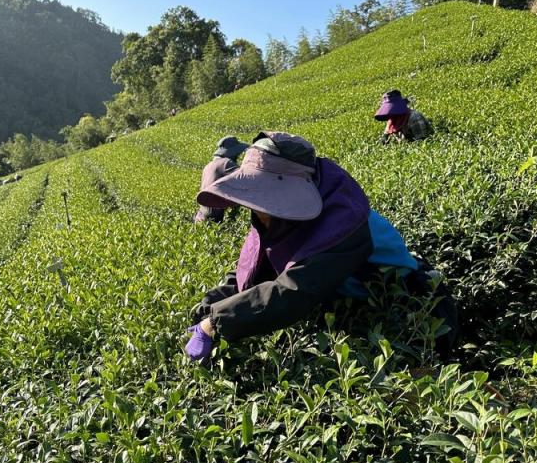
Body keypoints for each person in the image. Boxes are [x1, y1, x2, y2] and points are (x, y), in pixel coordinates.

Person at [186, 131, 457, 363]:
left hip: (406, 310)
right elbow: (253, 271)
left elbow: (295, 289)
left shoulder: (344, 224)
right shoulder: (274, 215)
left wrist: (216, 323)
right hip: (346, 304)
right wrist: (208, 306)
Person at [193, 136, 248, 223]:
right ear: (233, 152)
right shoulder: (226, 163)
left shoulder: (208, 166)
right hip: (214, 217)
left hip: (200, 216)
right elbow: (246, 178)